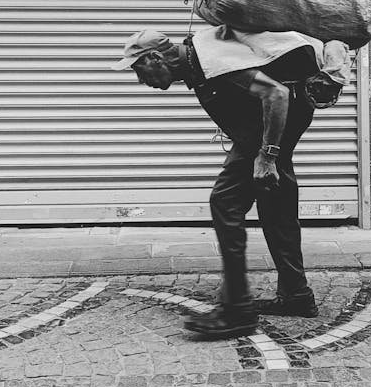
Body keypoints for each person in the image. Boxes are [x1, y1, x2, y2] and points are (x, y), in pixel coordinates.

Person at [113, 27, 330, 338]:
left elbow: (276, 94)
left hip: (270, 129)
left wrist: (267, 157)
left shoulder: (212, 62)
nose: (140, 80)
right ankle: (296, 295)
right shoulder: (200, 60)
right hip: (267, 128)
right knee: (275, 203)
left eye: (138, 70)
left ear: (155, 58)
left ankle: (236, 311)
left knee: (225, 202)